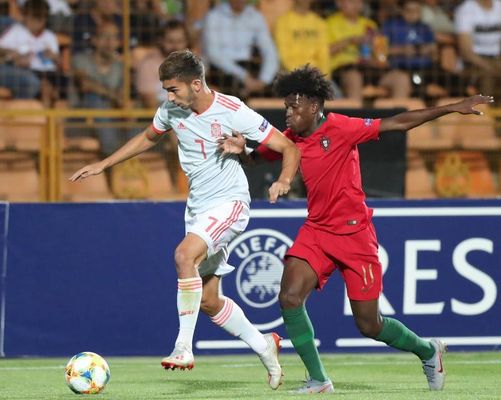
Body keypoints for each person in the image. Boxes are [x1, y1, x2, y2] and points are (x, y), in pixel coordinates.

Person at [218, 65, 494, 394]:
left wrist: (451, 107)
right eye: (286, 107)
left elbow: (397, 123)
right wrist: (242, 151)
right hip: (317, 230)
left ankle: (427, 350)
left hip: (354, 235)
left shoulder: (341, 127)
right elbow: (256, 158)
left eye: (294, 107)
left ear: (314, 106)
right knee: (289, 297)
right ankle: (319, 379)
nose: (288, 114)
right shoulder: (291, 139)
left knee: (369, 324)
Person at [69, 49, 300, 390]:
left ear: (195, 84)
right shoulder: (170, 110)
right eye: (166, 90)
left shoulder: (233, 109)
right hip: (198, 209)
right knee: (208, 300)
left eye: (173, 90)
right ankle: (264, 344)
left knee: (183, 255)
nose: (168, 97)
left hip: (230, 202)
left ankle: (183, 347)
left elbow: (288, 147)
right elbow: (148, 137)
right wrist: (104, 164)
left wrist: (283, 180)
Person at [326, 0, 411, 100]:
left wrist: (378, 58)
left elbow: (381, 54)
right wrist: (351, 40)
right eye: (351, 1)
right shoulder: (329, 23)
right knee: (355, 78)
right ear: (339, 3)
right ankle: (354, 109)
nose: (356, 4)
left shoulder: (370, 24)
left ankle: (397, 109)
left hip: (370, 67)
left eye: (359, 1)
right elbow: (326, 52)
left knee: (401, 79)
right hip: (344, 69)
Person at [201, 0, 279, 99]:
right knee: (234, 87)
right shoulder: (213, 17)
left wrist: (264, 80)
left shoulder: (255, 16)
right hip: (222, 69)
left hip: (248, 67)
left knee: (277, 85)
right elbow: (214, 55)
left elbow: (270, 52)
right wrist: (243, 77)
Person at [454, 0, 501, 105]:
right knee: (487, 76)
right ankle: (486, 111)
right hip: (473, 60)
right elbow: (466, 51)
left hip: (497, 57)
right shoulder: (465, 10)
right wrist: (490, 66)